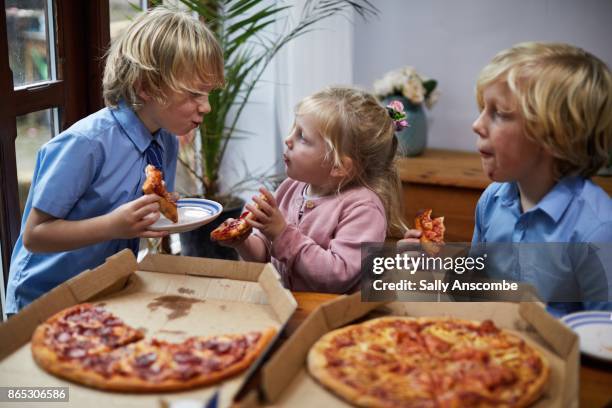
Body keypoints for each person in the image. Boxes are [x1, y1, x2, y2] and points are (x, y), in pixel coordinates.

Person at [6, 7, 224, 314]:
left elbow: (147, 213)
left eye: (209, 93)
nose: (207, 107)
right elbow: (35, 236)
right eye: (194, 94)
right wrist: (114, 225)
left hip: (104, 290)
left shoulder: (165, 141)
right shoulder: (86, 144)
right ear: (145, 87)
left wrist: (160, 211)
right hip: (43, 298)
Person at [222, 87, 407, 293]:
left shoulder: (364, 209)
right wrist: (244, 242)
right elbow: (266, 255)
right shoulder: (290, 188)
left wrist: (282, 233)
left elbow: (338, 275)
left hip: (334, 315)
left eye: (302, 136)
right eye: (294, 128)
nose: (288, 140)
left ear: (338, 166)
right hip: (289, 306)